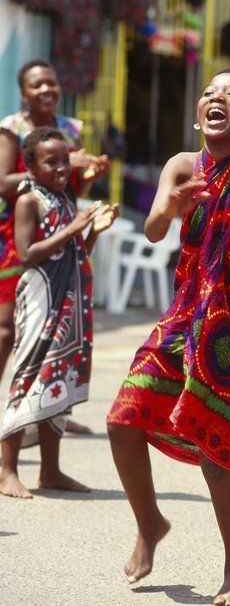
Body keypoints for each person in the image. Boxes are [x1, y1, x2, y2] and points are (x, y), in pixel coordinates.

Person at [106, 69, 230, 606]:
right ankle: (150, 522)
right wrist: (171, 204)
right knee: (121, 420)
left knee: (215, 452)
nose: (216, 97)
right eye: (210, 91)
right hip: (185, 314)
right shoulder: (181, 166)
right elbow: (155, 229)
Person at [0, 127, 118, 499]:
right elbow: (27, 254)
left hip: (69, 303)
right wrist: (73, 228)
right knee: (28, 377)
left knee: (58, 379)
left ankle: (50, 471)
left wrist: (93, 232)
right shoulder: (28, 200)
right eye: (52, 161)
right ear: (31, 166)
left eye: (66, 160)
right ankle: (7, 471)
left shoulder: (65, 199)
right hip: (40, 301)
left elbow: (75, 249)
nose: (63, 167)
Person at [0, 58, 109, 434]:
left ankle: (52, 413)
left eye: (51, 82)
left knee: (54, 341)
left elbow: (69, 187)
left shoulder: (68, 128)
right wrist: (69, 162)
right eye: (37, 84)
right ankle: (15, 416)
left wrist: (87, 176)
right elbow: (2, 182)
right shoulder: (11, 128)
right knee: (9, 330)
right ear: (24, 92)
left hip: (60, 233)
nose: (46, 89)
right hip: (15, 236)